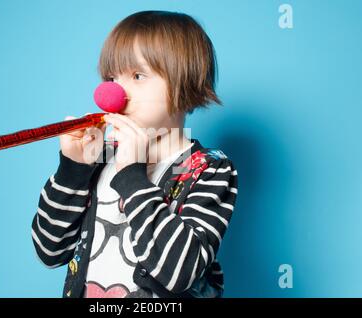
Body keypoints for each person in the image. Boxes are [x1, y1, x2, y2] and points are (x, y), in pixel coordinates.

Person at [31, 10, 238, 298]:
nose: (113, 94)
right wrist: (73, 169)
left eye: (138, 75)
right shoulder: (100, 158)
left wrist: (131, 176)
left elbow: (178, 273)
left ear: (184, 82)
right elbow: (49, 251)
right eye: (112, 78)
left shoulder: (206, 168)